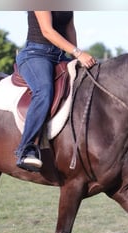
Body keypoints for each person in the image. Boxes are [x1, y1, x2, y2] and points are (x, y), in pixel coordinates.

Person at [15, 11, 96, 171]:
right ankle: (26, 149)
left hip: (60, 56)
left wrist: (75, 58)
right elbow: (47, 31)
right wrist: (78, 53)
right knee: (43, 91)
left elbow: (70, 29)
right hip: (35, 54)